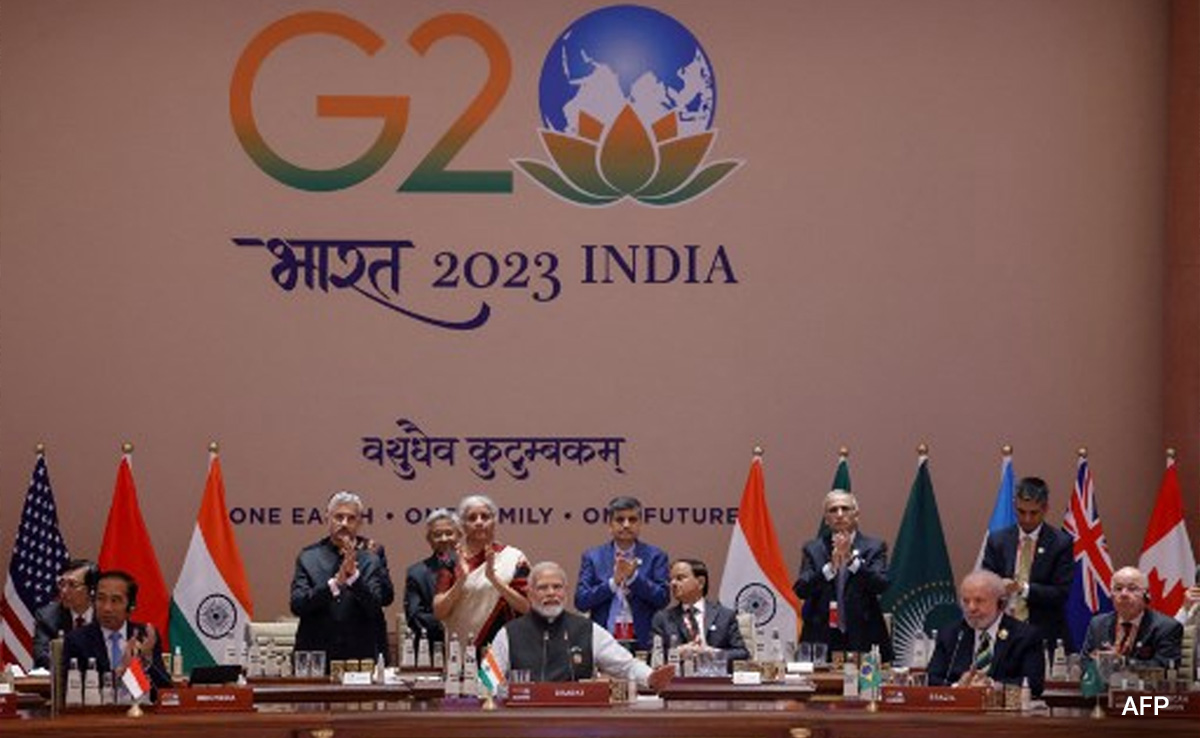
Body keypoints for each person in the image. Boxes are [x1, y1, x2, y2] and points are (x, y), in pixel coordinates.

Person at [490, 561, 675, 690]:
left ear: (566, 591)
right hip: (524, 720)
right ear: (529, 593)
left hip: (576, 721)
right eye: (543, 588)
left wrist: (650, 677)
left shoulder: (587, 629)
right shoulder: (509, 633)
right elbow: (487, 681)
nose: (551, 593)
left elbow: (625, 665)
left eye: (557, 587)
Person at [290, 490, 395, 667]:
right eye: (339, 517)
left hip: (361, 656)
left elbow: (375, 605)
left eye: (351, 518)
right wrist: (334, 584)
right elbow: (298, 605)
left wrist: (354, 578)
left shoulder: (371, 559)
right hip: (317, 655)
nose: (344, 523)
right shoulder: (308, 557)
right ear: (327, 518)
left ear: (360, 522)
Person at [792, 490, 893, 661]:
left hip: (864, 637)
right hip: (821, 639)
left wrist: (852, 561)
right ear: (826, 519)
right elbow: (801, 590)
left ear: (856, 515)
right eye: (833, 510)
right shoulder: (813, 549)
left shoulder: (874, 547)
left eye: (845, 508)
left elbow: (880, 585)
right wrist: (829, 568)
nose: (839, 514)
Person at [980, 476, 1073, 652]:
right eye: (1021, 512)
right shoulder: (998, 540)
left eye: (1034, 513)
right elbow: (986, 582)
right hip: (1003, 630)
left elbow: (1061, 593)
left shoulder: (1060, 543)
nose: (1027, 519)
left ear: (1045, 509)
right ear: (1014, 505)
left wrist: (1022, 588)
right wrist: (998, 586)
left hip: (1043, 632)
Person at [434, 494, 530, 656]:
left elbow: (527, 608)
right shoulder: (451, 560)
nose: (479, 522)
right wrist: (461, 581)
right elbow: (439, 612)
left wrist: (494, 579)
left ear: (494, 521)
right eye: (472, 518)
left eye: (485, 517)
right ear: (462, 525)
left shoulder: (514, 558)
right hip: (463, 652)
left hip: (504, 651)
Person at [927, 570, 1046, 696]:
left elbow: (1034, 684)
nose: (971, 608)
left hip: (1002, 708)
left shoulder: (1025, 636)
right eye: (966, 601)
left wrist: (992, 686)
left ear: (1001, 604)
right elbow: (932, 679)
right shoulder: (950, 635)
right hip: (959, 707)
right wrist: (958, 688)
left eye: (979, 601)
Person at [574, 495, 670, 651]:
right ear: (610, 525)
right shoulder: (593, 556)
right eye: (620, 520)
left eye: (632, 520)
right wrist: (613, 583)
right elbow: (581, 601)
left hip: (643, 641)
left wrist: (634, 579)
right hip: (604, 640)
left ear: (640, 524)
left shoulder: (656, 556)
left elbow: (663, 599)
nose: (626, 525)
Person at [61, 570, 171, 696]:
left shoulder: (144, 636)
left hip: (139, 707)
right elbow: (74, 691)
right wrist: (122, 672)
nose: (107, 608)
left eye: (115, 600)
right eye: (101, 599)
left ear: (131, 606)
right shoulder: (77, 640)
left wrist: (145, 663)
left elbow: (164, 691)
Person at [1081, 566, 1183, 669]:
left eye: (1132, 588)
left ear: (1146, 594)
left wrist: (1122, 662)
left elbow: (1166, 666)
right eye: (1118, 589)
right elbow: (1085, 662)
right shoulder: (1098, 624)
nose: (1123, 594)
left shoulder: (1167, 628)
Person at [651, 558, 749, 666]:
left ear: (701, 582)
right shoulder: (662, 618)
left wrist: (714, 654)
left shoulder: (724, 616)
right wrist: (677, 653)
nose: (673, 583)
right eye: (671, 579)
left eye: (680, 578)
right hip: (680, 675)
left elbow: (742, 653)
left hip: (715, 674)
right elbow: (653, 656)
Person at [404, 508, 460, 653]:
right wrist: (452, 624)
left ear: (459, 535)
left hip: (474, 646)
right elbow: (415, 617)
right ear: (429, 539)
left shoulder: (477, 567)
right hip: (432, 650)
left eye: (449, 533)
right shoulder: (416, 573)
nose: (444, 539)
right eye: (437, 535)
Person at [33, 558, 98, 669]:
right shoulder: (47, 617)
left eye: (72, 585)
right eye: (62, 584)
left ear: (91, 590)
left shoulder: (106, 616)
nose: (64, 591)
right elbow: (42, 657)